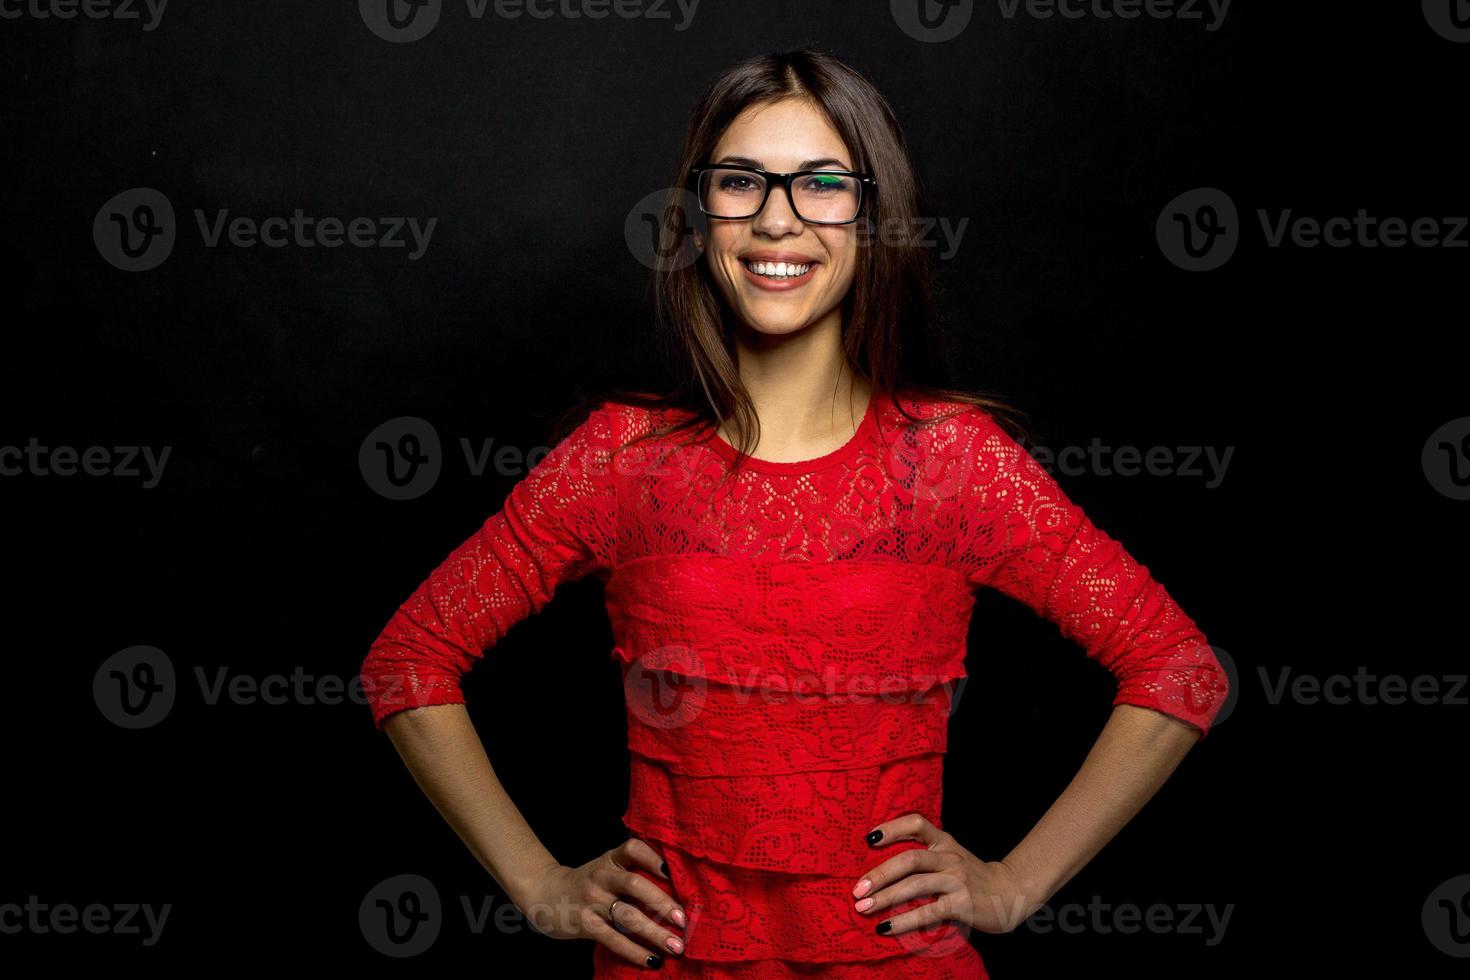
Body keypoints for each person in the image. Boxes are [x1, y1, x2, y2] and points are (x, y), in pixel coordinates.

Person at [358, 47, 1229, 978]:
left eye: (821, 184)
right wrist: (538, 883)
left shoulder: (953, 463)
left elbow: (1177, 669)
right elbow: (407, 662)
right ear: (699, 217)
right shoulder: (621, 462)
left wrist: (1013, 883)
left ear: (873, 215)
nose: (778, 218)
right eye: (741, 182)